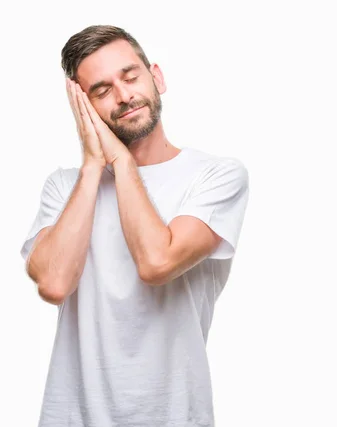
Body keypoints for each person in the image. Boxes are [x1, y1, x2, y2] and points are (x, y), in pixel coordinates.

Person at [20, 24, 250, 427]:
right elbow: (53, 284)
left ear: (156, 77)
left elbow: (156, 262)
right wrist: (94, 165)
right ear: (83, 107)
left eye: (131, 77)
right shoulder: (64, 188)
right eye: (102, 90)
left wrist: (122, 162)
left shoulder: (216, 176)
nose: (125, 95)